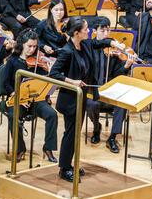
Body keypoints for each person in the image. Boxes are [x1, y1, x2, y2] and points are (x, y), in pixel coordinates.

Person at [49, 16, 126, 182]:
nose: (88, 31)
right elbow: (53, 74)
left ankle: (69, 164)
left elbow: (100, 43)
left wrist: (114, 43)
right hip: (70, 99)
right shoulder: (67, 51)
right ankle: (64, 168)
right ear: (77, 33)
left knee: (75, 133)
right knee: (70, 134)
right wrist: (72, 81)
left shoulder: (84, 45)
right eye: (85, 29)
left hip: (81, 98)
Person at [4, 29, 58, 163]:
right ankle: (20, 149)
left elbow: (44, 82)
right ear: (22, 44)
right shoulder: (12, 61)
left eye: (35, 46)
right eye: (29, 46)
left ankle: (48, 148)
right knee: (13, 116)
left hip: (36, 99)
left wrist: (50, 72)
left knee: (52, 115)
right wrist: (16, 95)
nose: (32, 49)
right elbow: (5, 83)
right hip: (17, 99)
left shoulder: (38, 62)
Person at [86, 19, 135, 153]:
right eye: (103, 30)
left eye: (108, 30)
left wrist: (125, 66)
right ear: (95, 31)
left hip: (110, 92)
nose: (107, 33)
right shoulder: (89, 47)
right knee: (91, 104)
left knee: (123, 103)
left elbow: (118, 74)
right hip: (93, 91)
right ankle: (96, 129)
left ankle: (112, 137)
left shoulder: (114, 50)